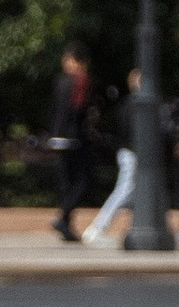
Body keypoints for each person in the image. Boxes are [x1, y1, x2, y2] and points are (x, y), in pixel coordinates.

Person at [80, 76, 140, 246]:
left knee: (147, 192)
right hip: (133, 154)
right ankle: (97, 228)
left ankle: (159, 227)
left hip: (130, 152)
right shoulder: (135, 105)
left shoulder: (127, 104)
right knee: (124, 190)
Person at [45, 47, 92, 244]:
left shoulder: (60, 81)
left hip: (57, 137)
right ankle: (63, 216)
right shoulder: (80, 81)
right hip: (73, 138)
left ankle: (65, 224)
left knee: (66, 183)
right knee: (82, 181)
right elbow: (79, 108)